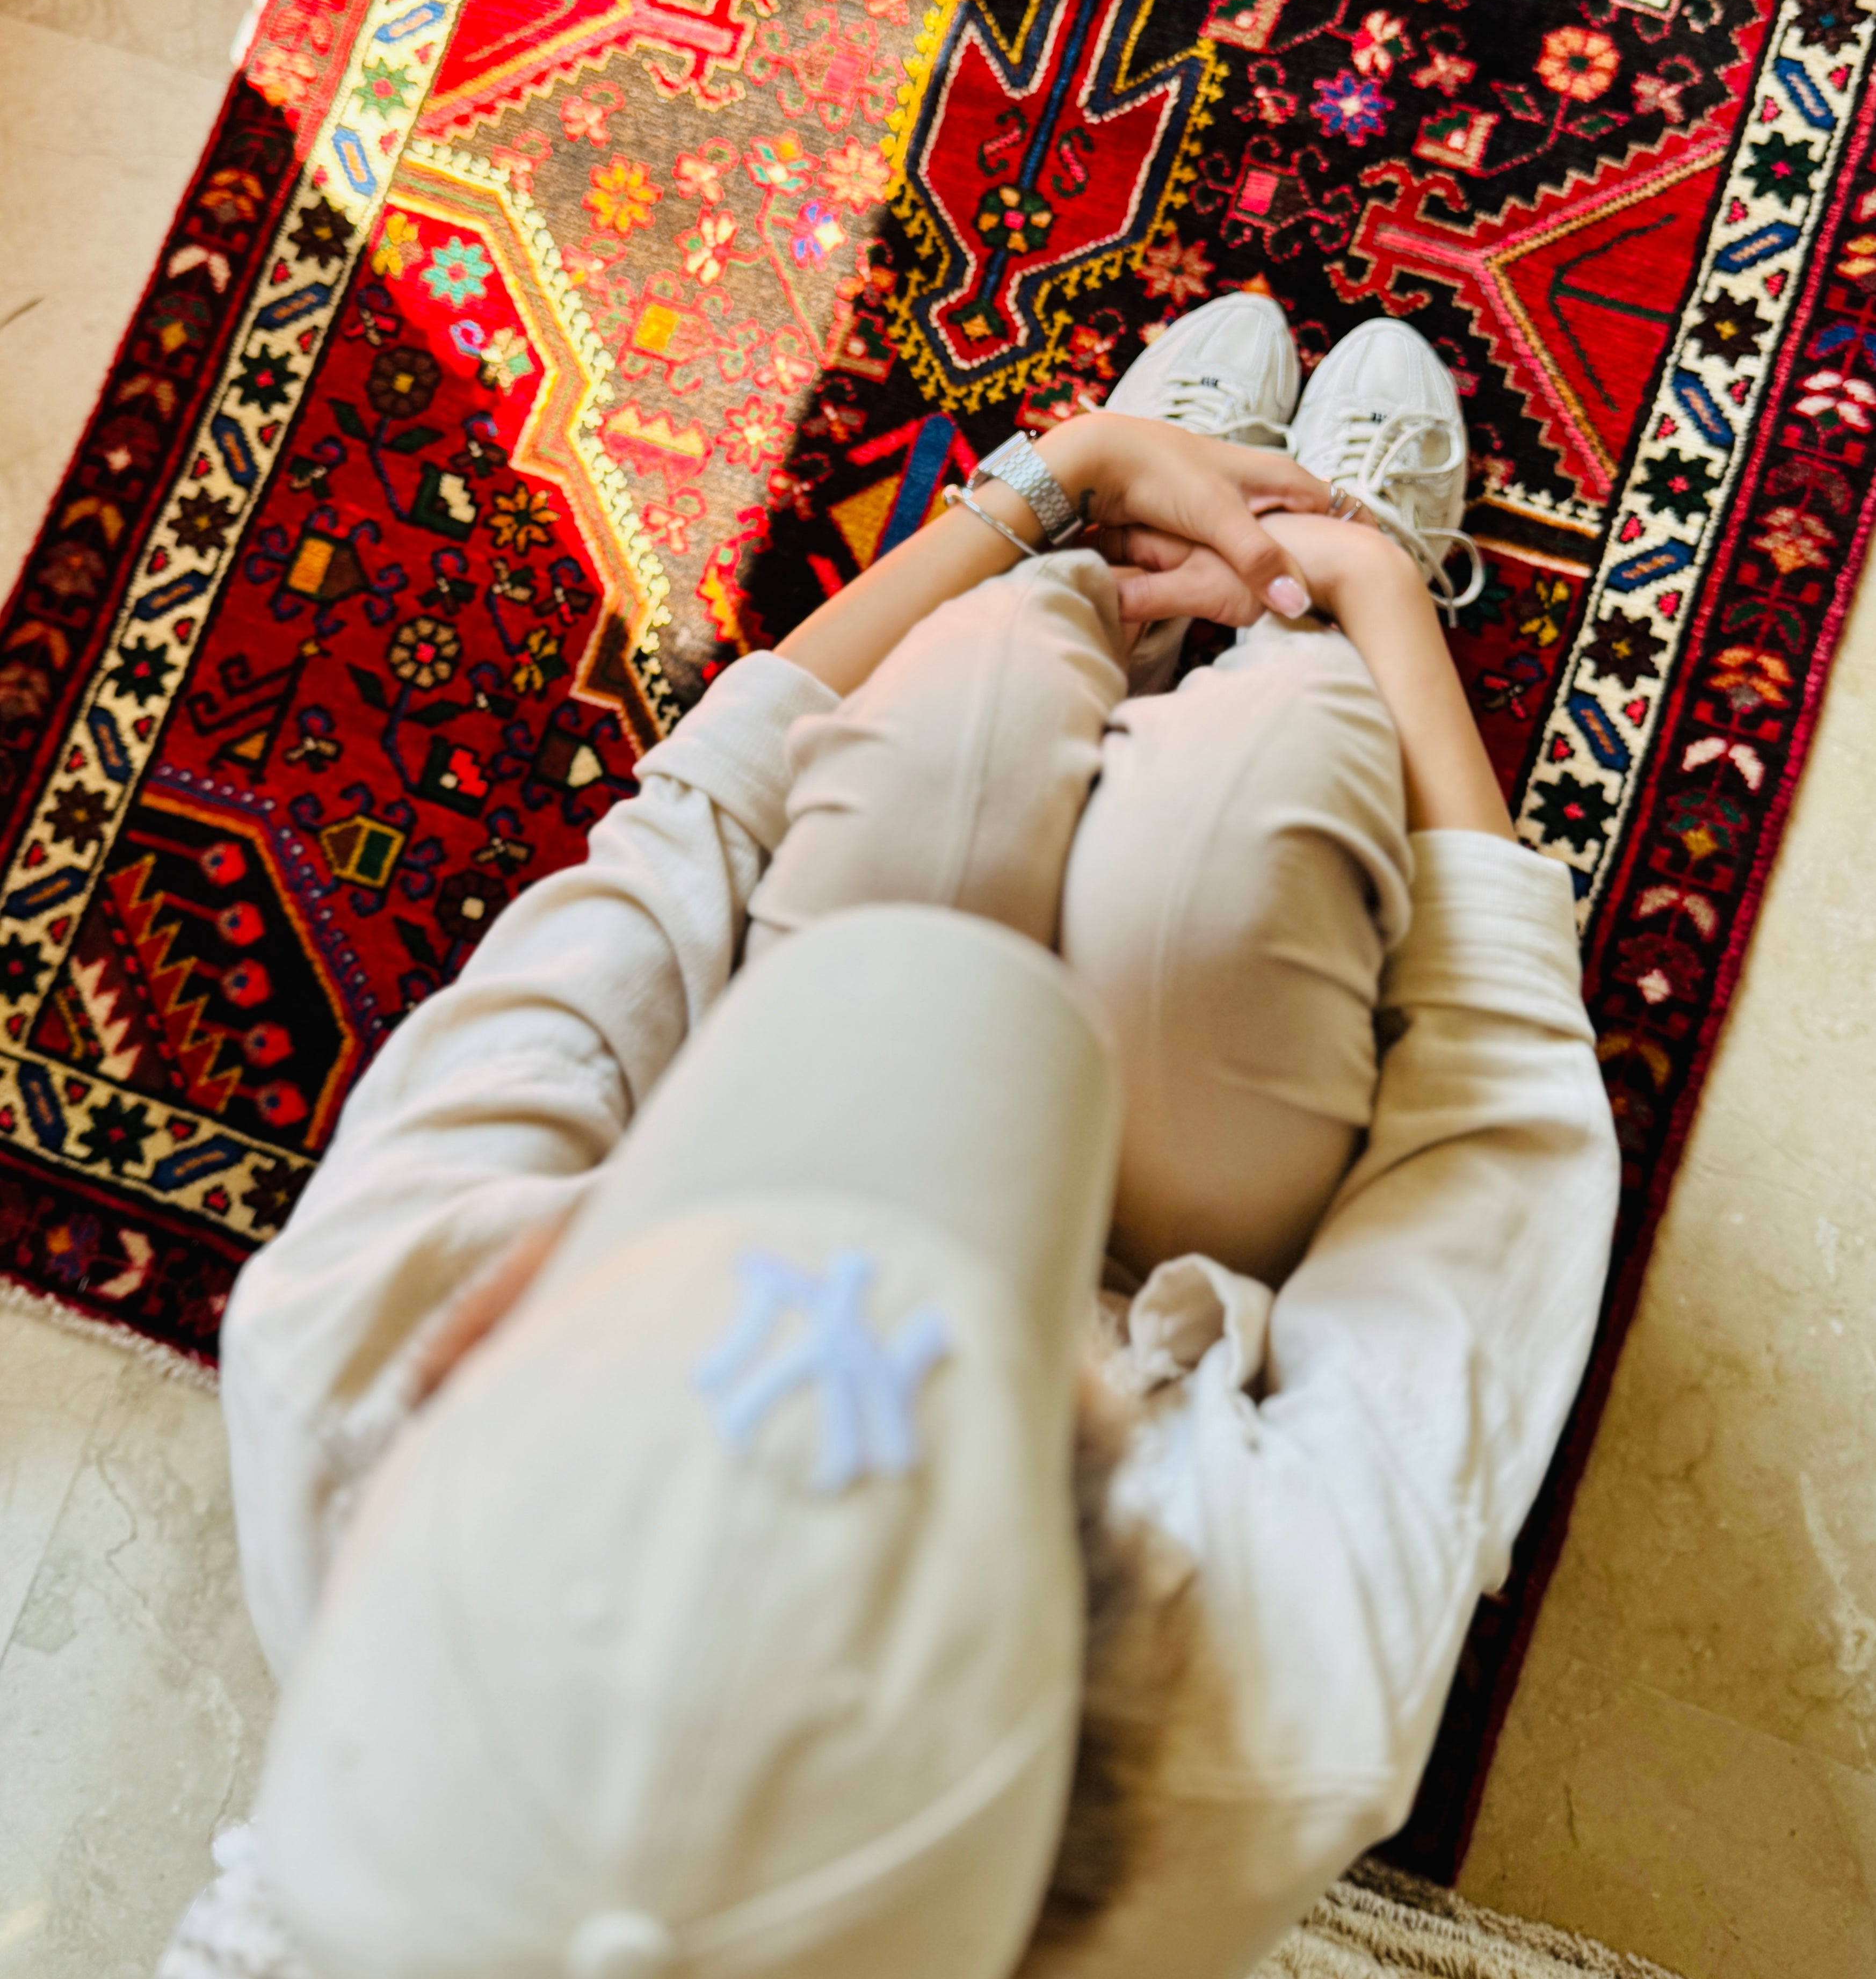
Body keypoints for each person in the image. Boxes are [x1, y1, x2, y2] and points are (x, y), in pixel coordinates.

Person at [157, 297, 1618, 1979]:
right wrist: (1365, 600)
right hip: (1192, 1267)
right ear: (1099, 1568)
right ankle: (1274, 615)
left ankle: (1121, 578)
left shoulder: (341, 1373)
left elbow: (683, 833)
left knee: (978, 698)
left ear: (479, 1324)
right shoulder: (1259, 1730)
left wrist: (1052, 490)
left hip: (862, 1058)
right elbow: (1492, 1141)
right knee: (1247, 801)